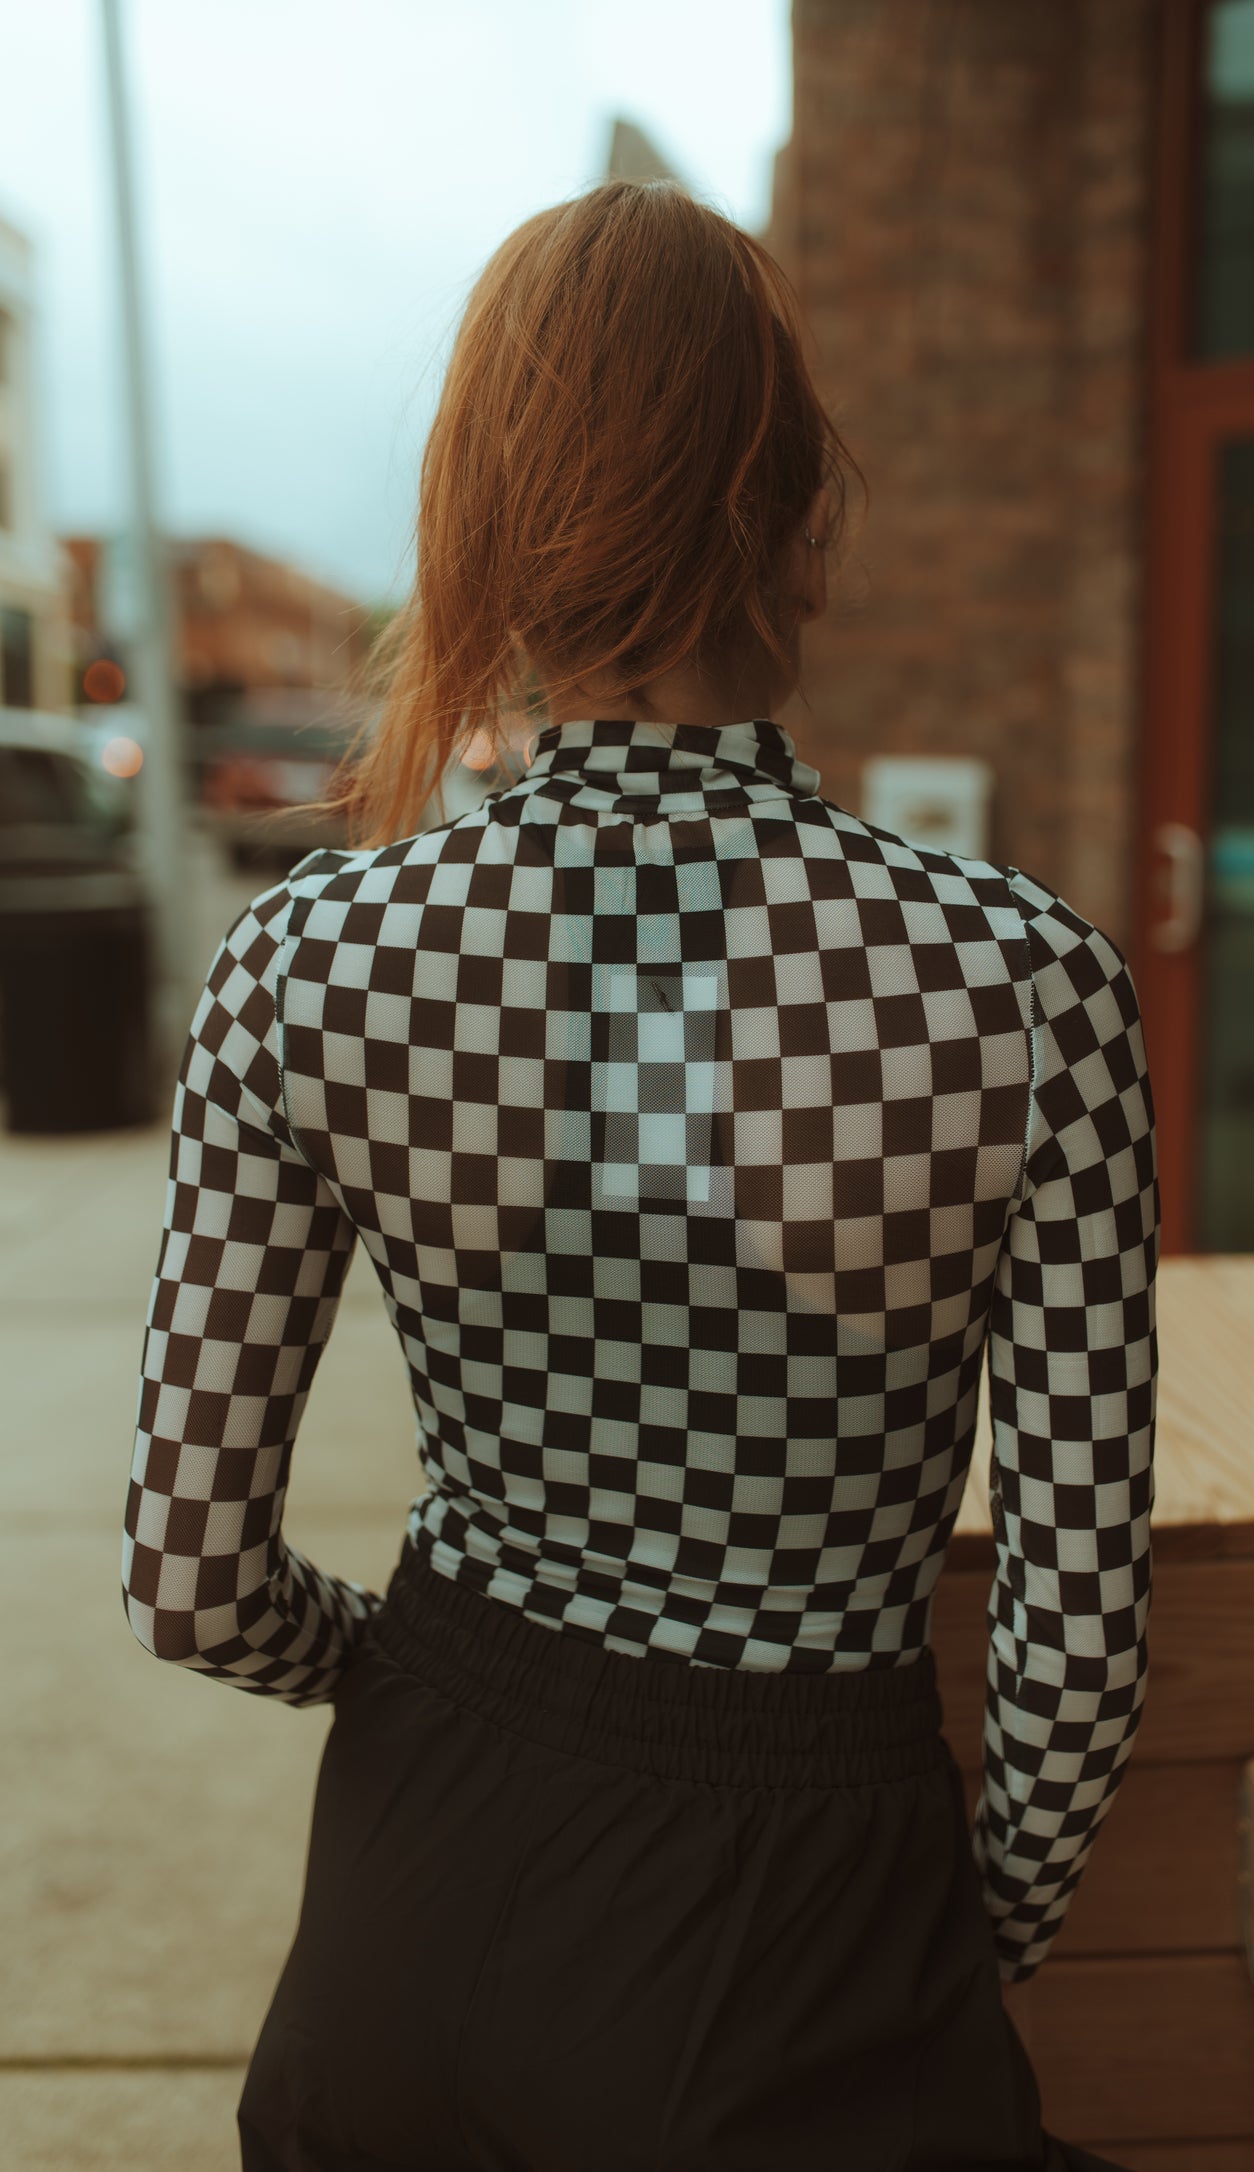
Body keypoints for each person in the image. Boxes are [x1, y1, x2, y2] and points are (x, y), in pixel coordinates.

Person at [122, 179, 1159, 2172]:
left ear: (486, 535)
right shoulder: (1024, 993)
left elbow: (188, 1579)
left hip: (401, 1940)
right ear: (808, 523)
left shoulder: (307, 962)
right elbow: (1074, 1642)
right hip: (800, 1953)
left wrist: (437, 1684)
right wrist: (965, 1935)